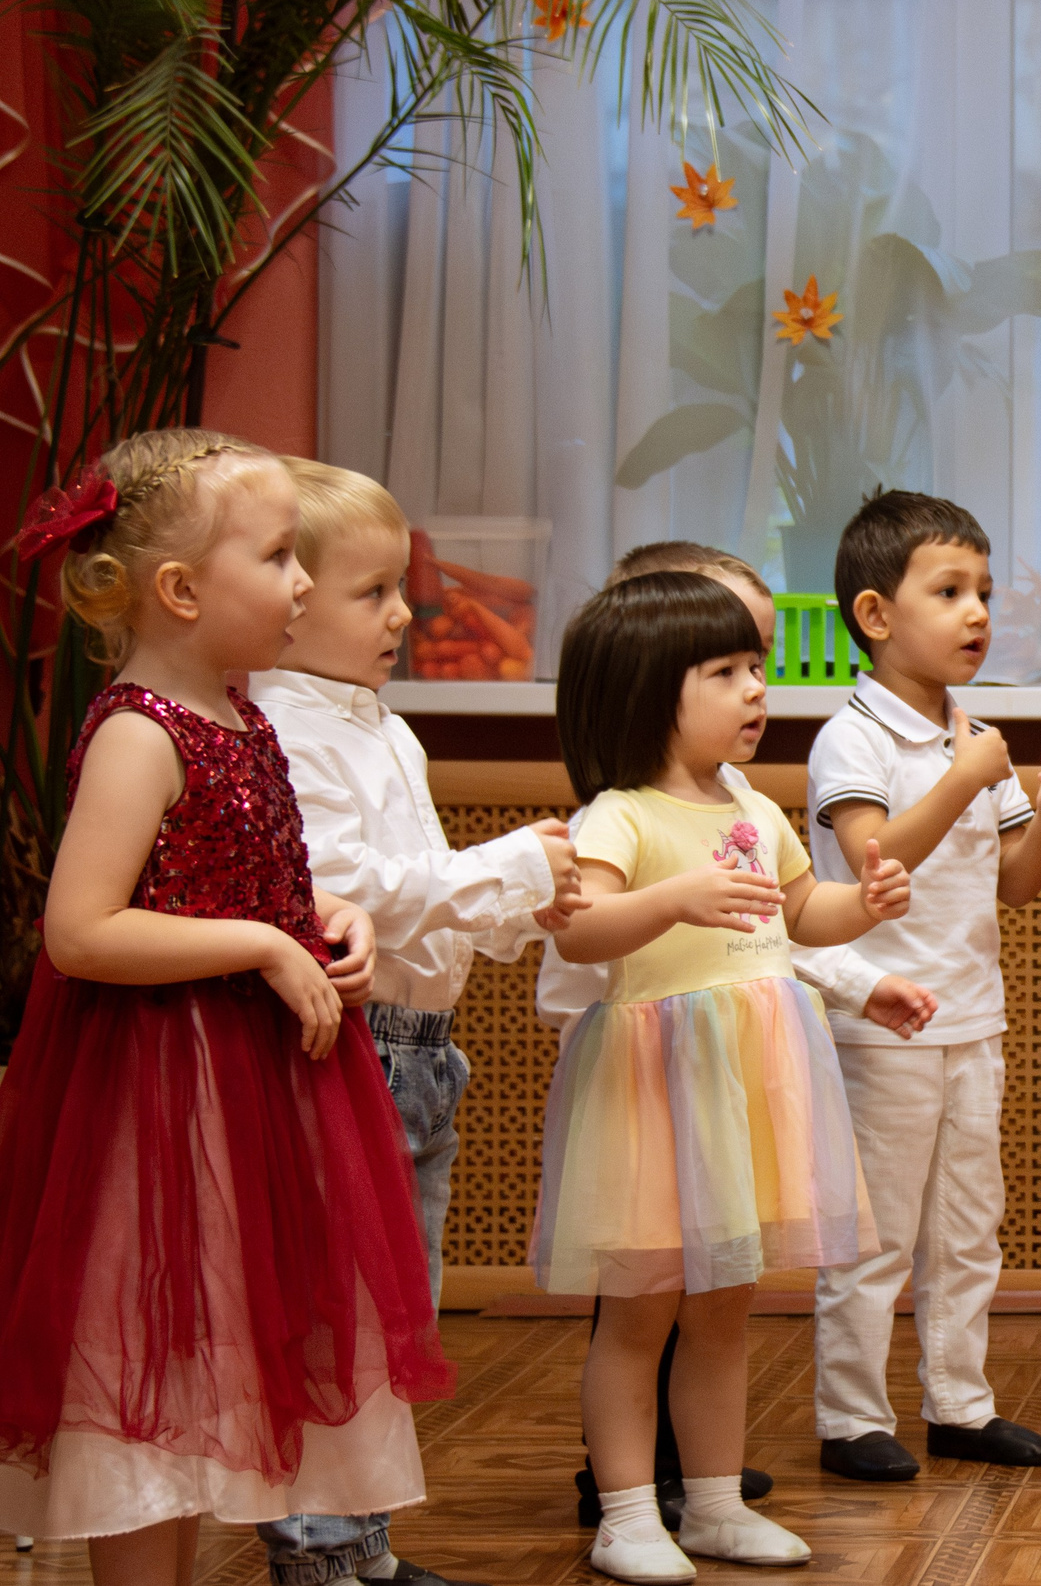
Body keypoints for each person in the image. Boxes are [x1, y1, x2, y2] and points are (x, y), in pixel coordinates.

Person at [0, 430, 448, 1586]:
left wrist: (326, 916)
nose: (303, 582)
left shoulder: (249, 724)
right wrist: (259, 941)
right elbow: (83, 931)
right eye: (280, 556)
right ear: (183, 591)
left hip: (247, 1088)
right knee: (150, 1375)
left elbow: (248, 877)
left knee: (210, 1377)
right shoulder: (144, 731)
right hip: (159, 1095)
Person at [540, 543, 933, 1530]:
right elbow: (582, 928)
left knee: (725, 1309)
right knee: (638, 1317)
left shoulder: (755, 805)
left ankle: (715, 1503)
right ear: (646, 691)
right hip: (652, 1087)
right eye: (725, 673)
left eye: (755, 669)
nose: (756, 690)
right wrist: (675, 897)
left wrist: (867, 904)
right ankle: (629, 1512)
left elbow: (802, 912)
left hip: (745, 1088)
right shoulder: (619, 816)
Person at [246, 461, 586, 1586]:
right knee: (337, 1315)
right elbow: (342, 881)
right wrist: (504, 868)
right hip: (354, 1049)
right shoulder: (283, 727)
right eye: (373, 593)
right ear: (290, 600)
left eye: (404, 589)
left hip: (422, 1053)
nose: (405, 615)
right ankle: (319, 1549)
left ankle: (363, 1542)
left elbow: (428, 891)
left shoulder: (381, 727)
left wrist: (525, 897)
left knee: (396, 1316)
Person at [810, 492, 1041, 1481]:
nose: (977, 612)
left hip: (974, 1020)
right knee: (875, 1237)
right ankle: (850, 1419)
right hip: (881, 1020)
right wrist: (969, 779)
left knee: (969, 1231)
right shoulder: (853, 739)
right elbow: (874, 858)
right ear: (877, 615)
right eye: (950, 591)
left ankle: (960, 1405)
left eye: (984, 591)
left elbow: (1018, 882)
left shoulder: (972, 733)